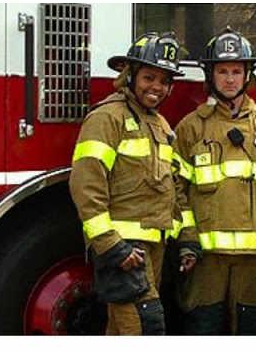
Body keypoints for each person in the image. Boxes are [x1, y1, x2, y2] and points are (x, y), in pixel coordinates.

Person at [172, 30, 256, 336]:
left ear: (247, 76)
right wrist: (187, 239)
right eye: (222, 71)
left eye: (236, 71)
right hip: (206, 259)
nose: (229, 79)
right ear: (210, 75)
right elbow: (176, 191)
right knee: (202, 330)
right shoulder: (191, 129)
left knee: (253, 332)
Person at [68, 32, 186, 336]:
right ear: (130, 75)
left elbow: (173, 186)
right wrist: (111, 246)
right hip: (123, 249)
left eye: (164, 81)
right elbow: (86, 184)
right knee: (145, 327)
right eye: (149, 77)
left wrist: (185, 240)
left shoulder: (159, 124)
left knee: (122, 330)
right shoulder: (108, 117)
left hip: (152, 249)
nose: (156, 87)